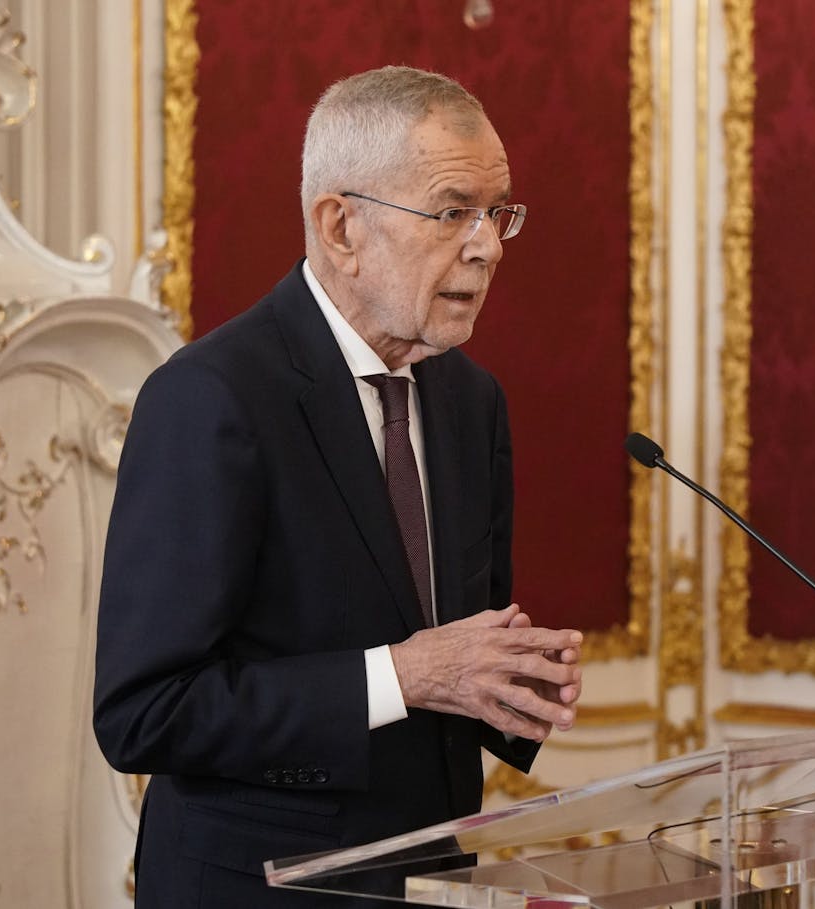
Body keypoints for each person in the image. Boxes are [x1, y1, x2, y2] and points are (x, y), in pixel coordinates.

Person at [93, 65, 585, 907]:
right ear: (341, 226)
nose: (489, 244)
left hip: (431, 879)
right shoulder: (212, 398)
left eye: (497, 212)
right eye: (452, 211)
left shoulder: (471, 401)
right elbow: (146, 710)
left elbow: (447, 649)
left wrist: (508, 683)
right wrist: (404, 674)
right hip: (258, 889)